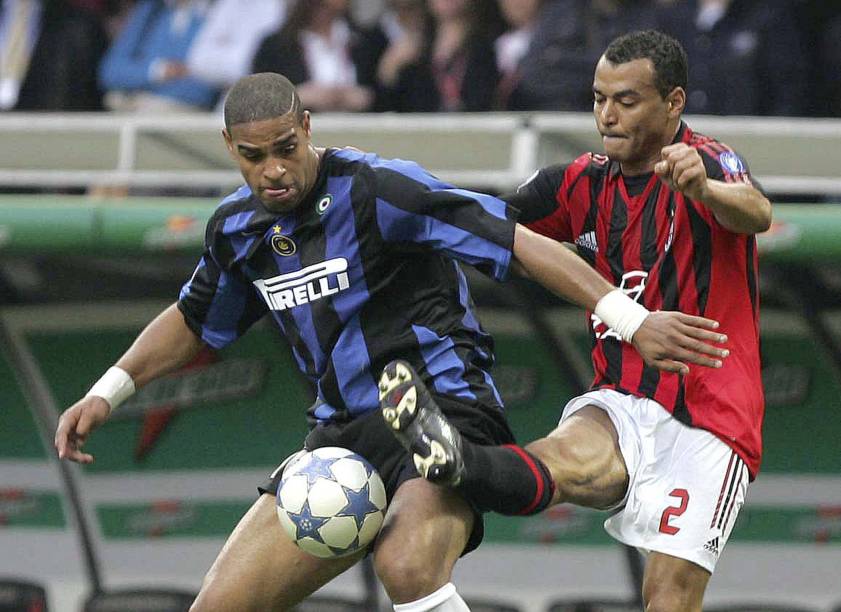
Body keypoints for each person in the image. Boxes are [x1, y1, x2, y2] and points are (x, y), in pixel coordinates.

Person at [54, 72, 728, 611]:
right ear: (231, 148)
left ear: (308, 129)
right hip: (339, 442)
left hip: (441, 412)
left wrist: (634, 321)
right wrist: (108, 391)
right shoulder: (237, 231)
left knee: (406, 566)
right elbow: (195, 319)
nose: (275, 170)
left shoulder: (379, 190)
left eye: (287, 148)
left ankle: (447, 459)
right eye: (255, 157)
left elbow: (517, 244)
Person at [379, 30, 770, 612]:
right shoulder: (580, 181)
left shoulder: (706, 160)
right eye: (598, 98)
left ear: (674, 103)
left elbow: (757, 211)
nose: (606, 116)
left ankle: (472, 466)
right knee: (558, 461)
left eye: (626, 101)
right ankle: (462, 461)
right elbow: (486, 222)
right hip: (620, 396)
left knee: (666, 596)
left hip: (711, 415)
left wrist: (705, 188)